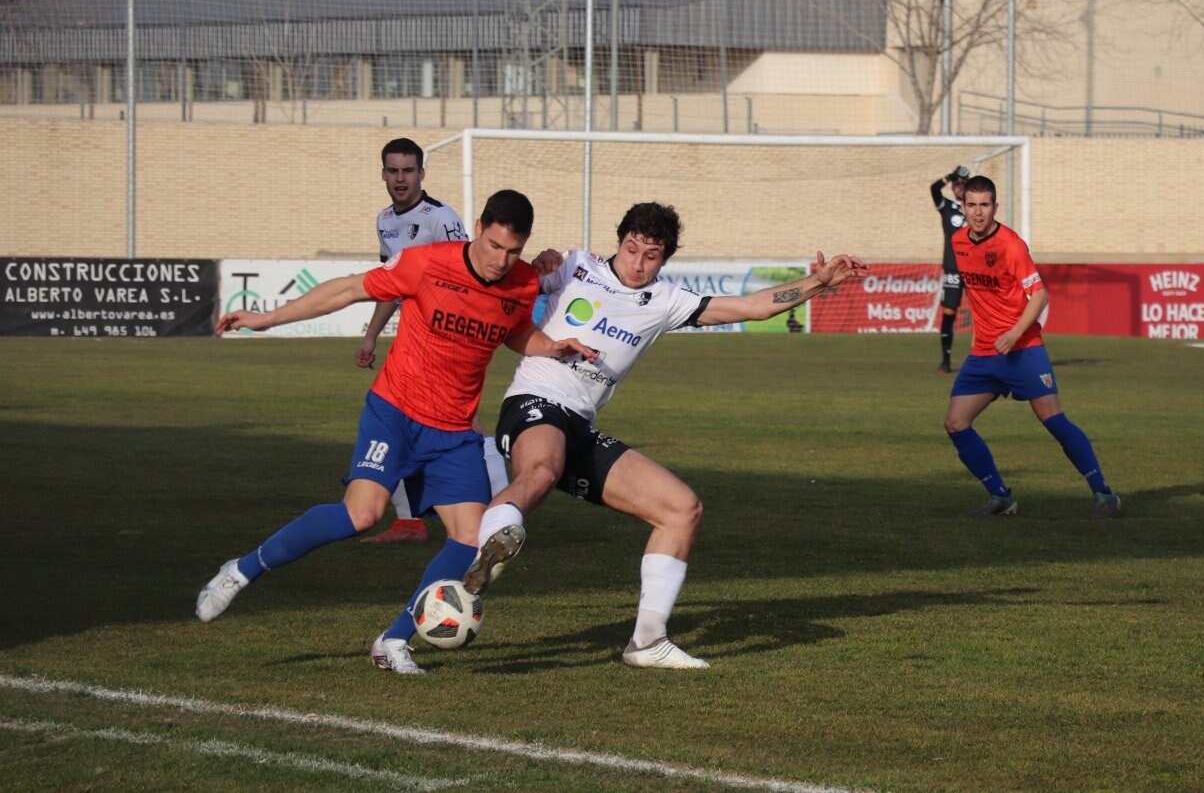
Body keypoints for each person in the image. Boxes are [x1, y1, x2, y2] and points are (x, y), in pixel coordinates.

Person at [195, 190, 596, 676]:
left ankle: (393, 640)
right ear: (478, 227)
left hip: (453, 431)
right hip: (396, 412)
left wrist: (551, 346)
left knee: (471, 541)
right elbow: (347, 289)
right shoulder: (426, 263)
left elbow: (510, 330)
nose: (501, 261)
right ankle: (240, 571)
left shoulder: (522, 283)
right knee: (362, 514)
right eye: (493, 246)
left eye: (513, 251)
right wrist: (268, 319)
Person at [461, 202, 867, 669]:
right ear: (619, 242)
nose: (637, 263)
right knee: (543, 468)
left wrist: (818, 281)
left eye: (650, 255)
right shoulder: (574, 267)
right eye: (631, 248)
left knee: (681, 509)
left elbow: (753, 307)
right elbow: (504, 282)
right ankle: (491, 543)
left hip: (580, 425)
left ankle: (648, 642)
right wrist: (538, 264)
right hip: (533, 402)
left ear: (665, 259)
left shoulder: (668, 300)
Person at [942, 175, 1121, 519]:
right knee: (956, 422)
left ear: (995, 206)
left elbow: (1039, 294)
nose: (978, 213)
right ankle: (1001, 497)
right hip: (984, 352)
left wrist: (1013, 332)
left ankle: (1103, 492)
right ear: (962, 207)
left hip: (1022, 348)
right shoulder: (959, 241)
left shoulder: (1011, 245)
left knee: (1052, 419)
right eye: (972, 206)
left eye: (985, 205)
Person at [358, 137, 469, 545]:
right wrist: (371, 337)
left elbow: (467, 278)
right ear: (383, 174)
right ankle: (413, 521)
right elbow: (391, 286)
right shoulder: (385, 221)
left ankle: (493, 516)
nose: (400, 178)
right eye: (393, 170)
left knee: (456, 421)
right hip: (413, 337)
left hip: (450, 339)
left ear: (422, 173)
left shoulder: (442, 218)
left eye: (408, 170)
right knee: (404, 417)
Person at [929, 166, 970, 373]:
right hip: (953, 269)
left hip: (975, 270)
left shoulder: (975, 208)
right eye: (956, 183)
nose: (958, 187)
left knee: (983, 313)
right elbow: (934, 188)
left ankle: (991, 357)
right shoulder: (948, 207)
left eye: (962, 183)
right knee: (948, 313)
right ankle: (946, 361)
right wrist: (949, 177)